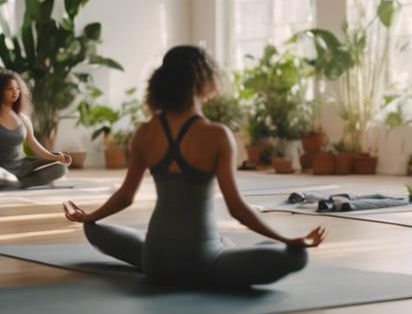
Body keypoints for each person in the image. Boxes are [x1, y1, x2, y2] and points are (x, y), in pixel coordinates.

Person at [62, 45, 325, 288]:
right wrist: (287, 240)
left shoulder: (145, 132)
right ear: (202, 81)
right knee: (296, 257)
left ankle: (214, 246)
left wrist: (90, 217)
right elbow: (237, 210)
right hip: (202, 264)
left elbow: (126, 196)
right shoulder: (217, 136)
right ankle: (227, 247)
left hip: (153, 262)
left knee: (94, 229)